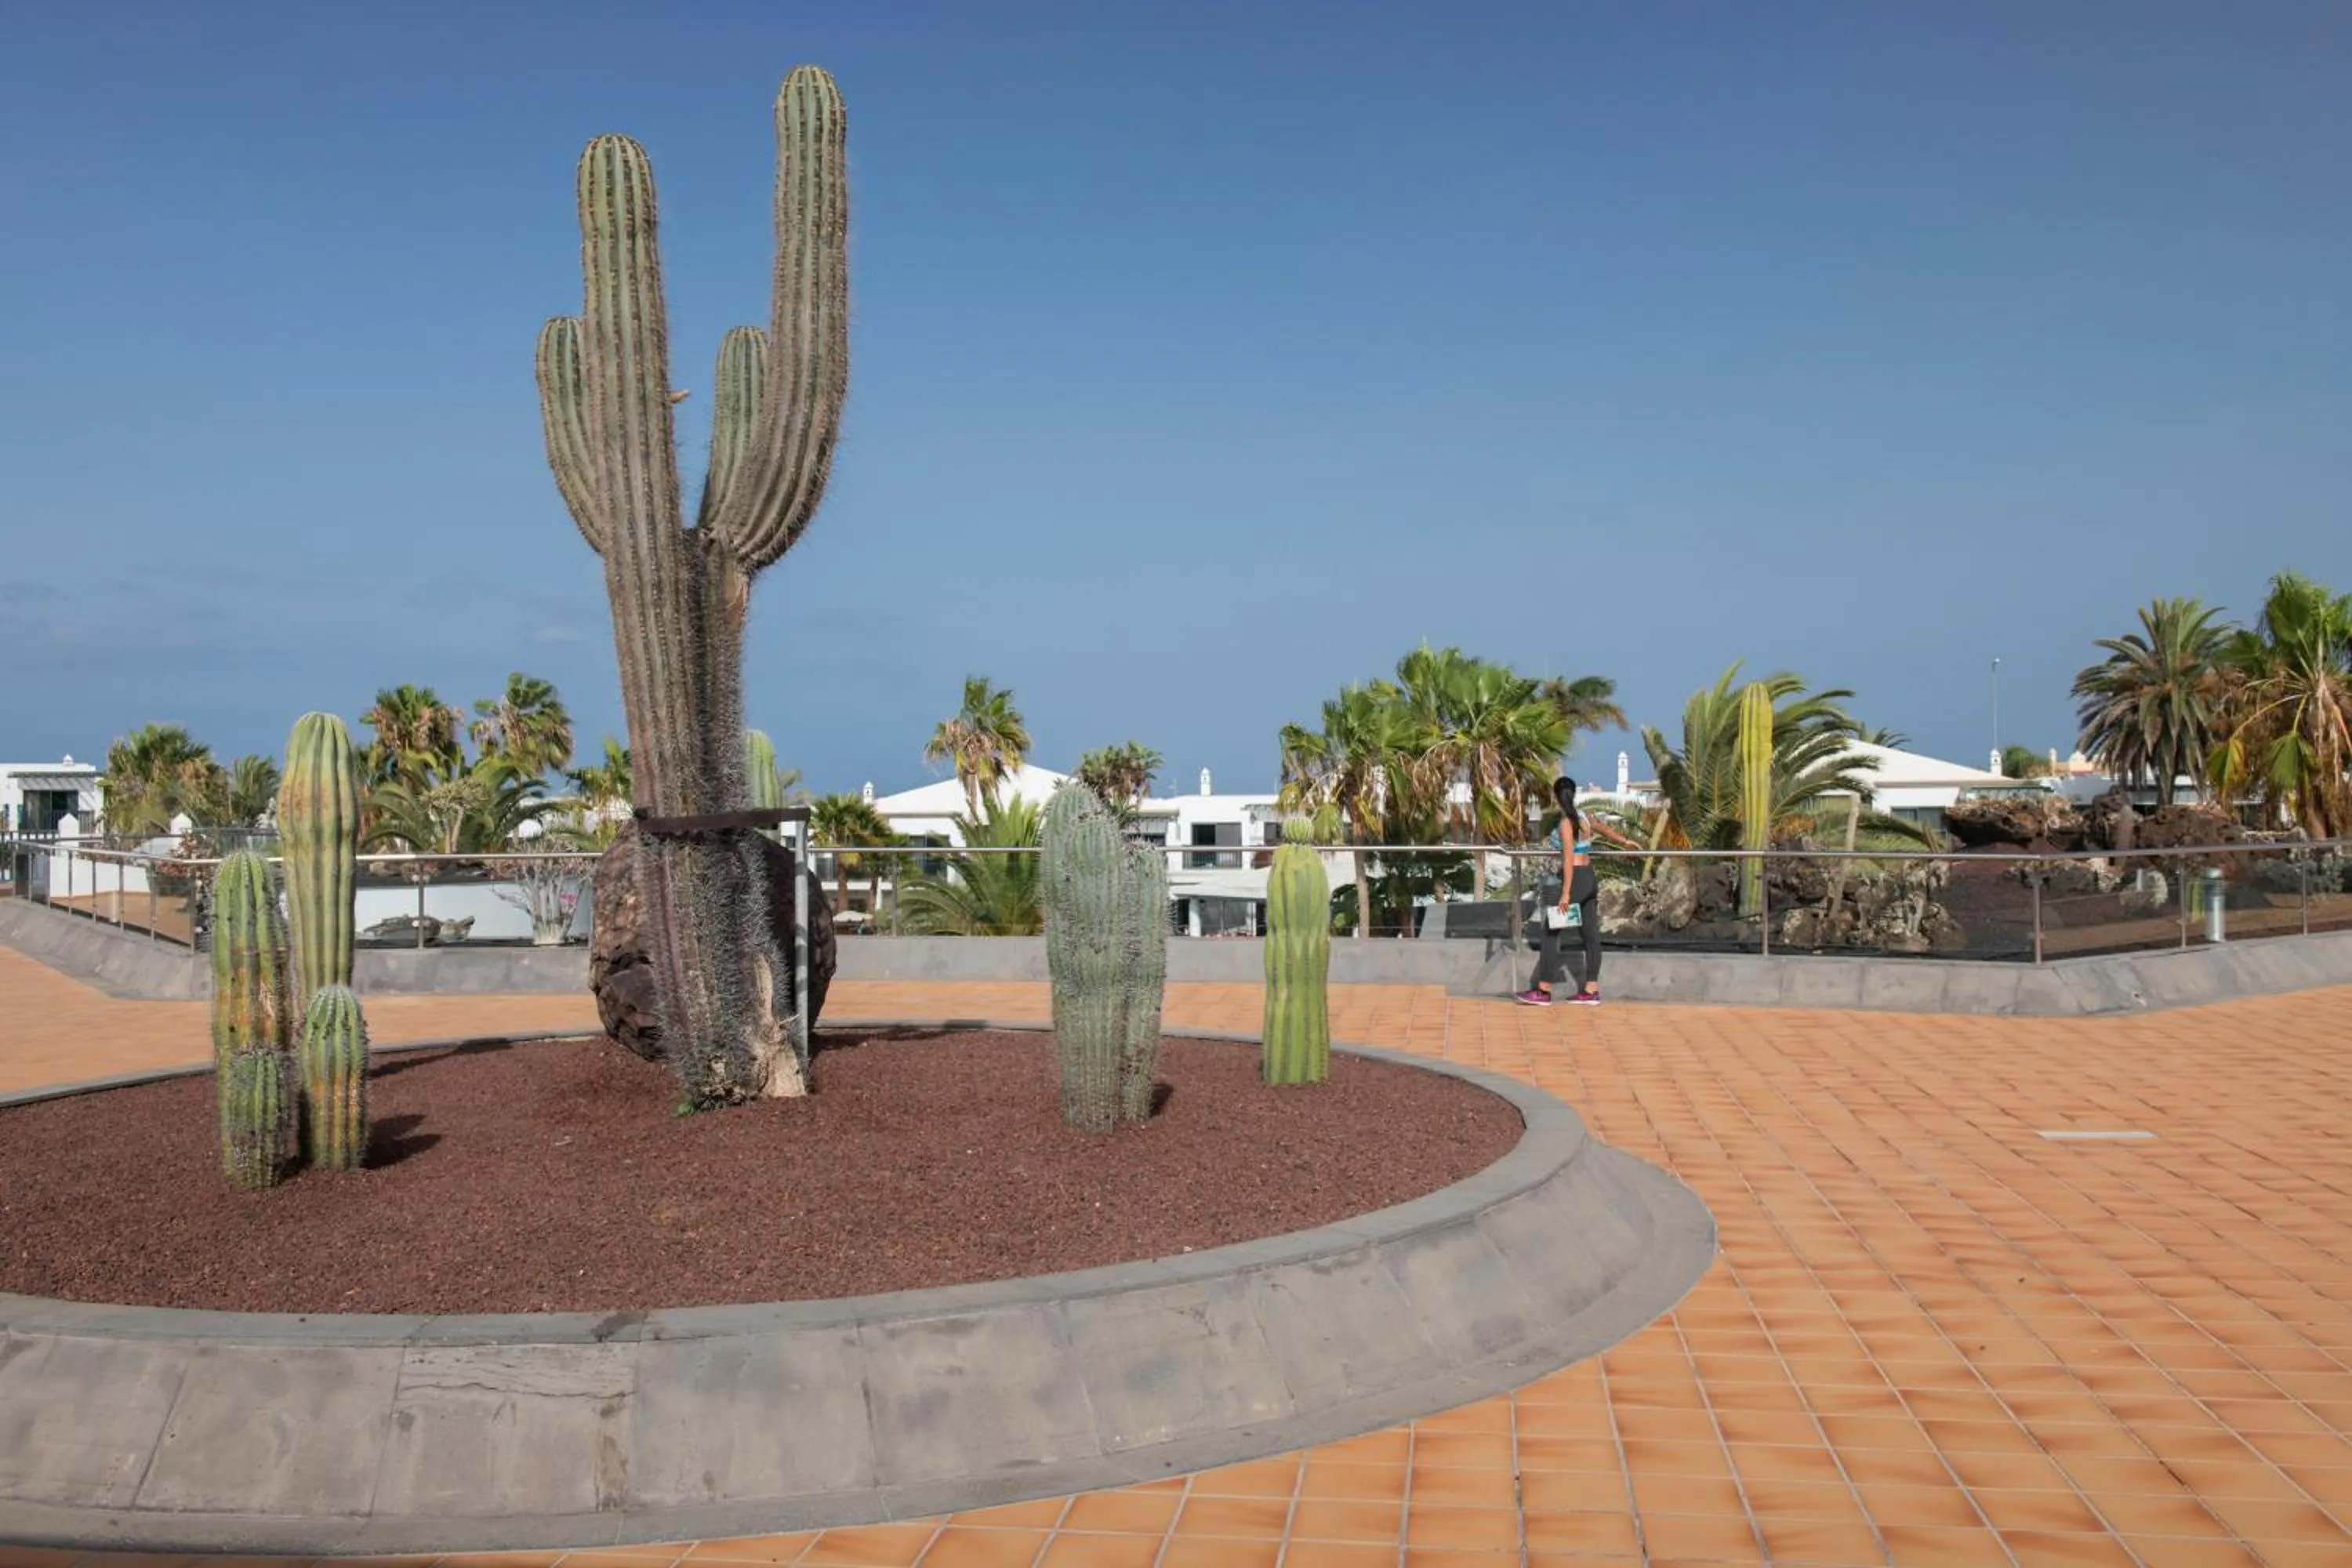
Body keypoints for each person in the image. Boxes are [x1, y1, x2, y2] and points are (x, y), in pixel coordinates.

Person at [1515, 776, 1634, 1007]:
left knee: (1550, 931)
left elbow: (1568, 858)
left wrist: (1566, 893)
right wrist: (1625, 841)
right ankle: (1591, 990)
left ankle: (1543, 990)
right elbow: (1602, 827)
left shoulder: (1566, 823)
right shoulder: (1583, 817)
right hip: (1590, 877)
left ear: (1556, 796)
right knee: (1590, 935)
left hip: (1577, 880)